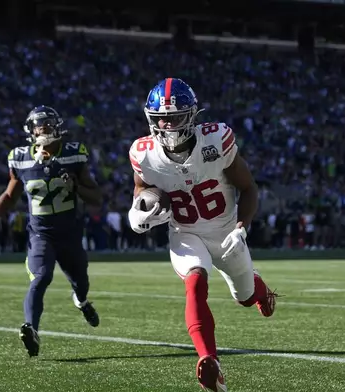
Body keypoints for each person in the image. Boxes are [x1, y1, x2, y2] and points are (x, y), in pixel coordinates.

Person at [127, 78, 278, 392]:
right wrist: (139, 211)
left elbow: (248, 187)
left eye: (174, 117)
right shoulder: (143, 153)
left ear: (192, 115)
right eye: (160, 119)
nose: (166, 125)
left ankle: (260, 290)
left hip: (226, 232)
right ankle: (209, 361)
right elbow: (140, 191)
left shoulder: (215, 140)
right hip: (186, 232)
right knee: (195, 281)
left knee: (246, 297)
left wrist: (242, 227)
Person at [0, 106, 103, 357]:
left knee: (81, 283)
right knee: (41, 277)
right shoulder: (20, 158)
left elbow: (96, 197)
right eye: (39, 127)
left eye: (48, 126)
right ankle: (31, 329)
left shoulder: (74, 154)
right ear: (31, 131)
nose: (44, 131)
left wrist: (75, 187)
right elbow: (10, 196)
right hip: (41, 233)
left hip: (70, 233)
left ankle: (81, 302)